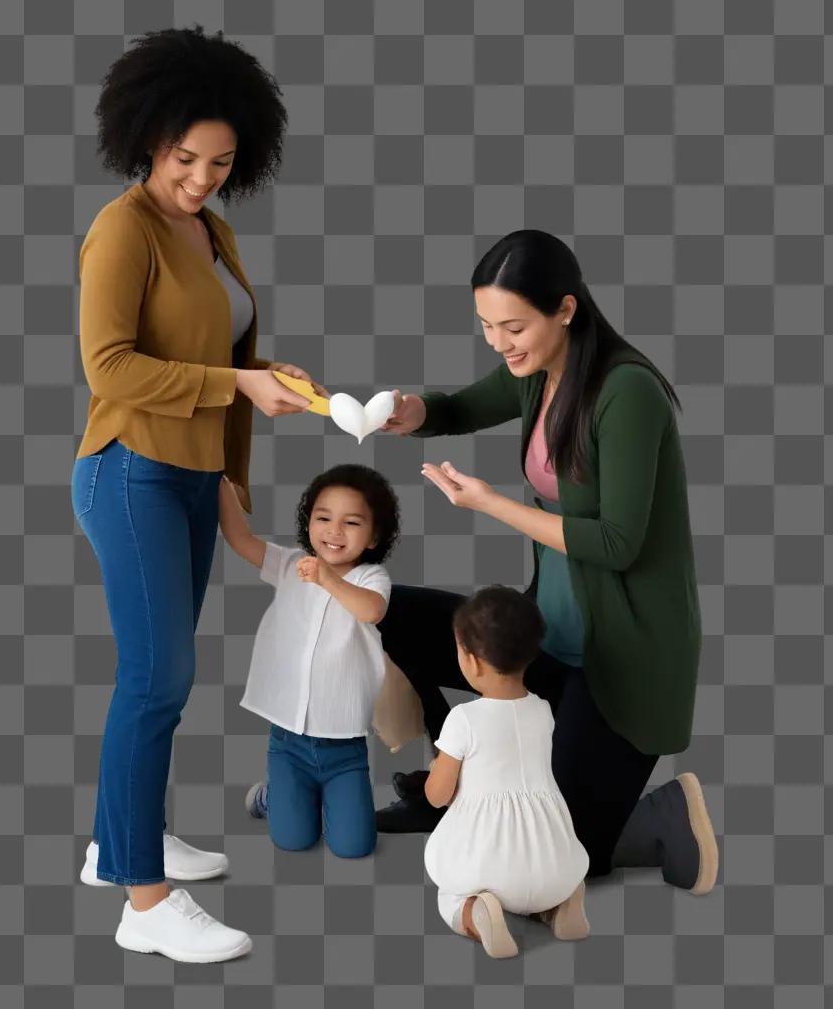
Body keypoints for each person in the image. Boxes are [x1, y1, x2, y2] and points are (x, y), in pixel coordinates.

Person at [70, 27, 327, 963]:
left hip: (189, 475)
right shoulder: (122, 227)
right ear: (147, 140)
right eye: (186, 159)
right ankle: (143, 900)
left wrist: (265, 377)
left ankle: (117, 840)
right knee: (156, 679)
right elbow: (111, 368)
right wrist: (233, 386)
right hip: (128, 468)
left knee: (163, 682)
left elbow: (219, 351)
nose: (202, 177)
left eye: (221, 162)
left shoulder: (207, 228)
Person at [376, 229, 719, 897]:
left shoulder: (627, 394)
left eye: (513, 326)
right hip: (545, 640)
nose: (501, 344)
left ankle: (657, 812)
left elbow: (618, 541)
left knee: (554, 871)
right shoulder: (538, 373)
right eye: (485, 327)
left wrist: (491, 505)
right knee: (385, 614)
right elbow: (461, 407)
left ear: (565, 310)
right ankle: (443, 787)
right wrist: (412, 412)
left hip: (619, 659)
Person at [218, 465, 400, 858]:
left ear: (374, 536)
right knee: (292, 840)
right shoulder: (289, 565)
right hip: (288, 743)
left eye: (351, 522)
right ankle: (273, 797)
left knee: (354, 847)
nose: (334, 531)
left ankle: (315, 801)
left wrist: (327, 579)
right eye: (323, 518)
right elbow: (240, 538)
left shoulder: (372, 577)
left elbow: (371, 611)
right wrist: (220, 483)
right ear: (308, 522)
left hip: (345, 747)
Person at [425, 585, 590, 958]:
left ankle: (477, 913)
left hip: (488, 865)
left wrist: (439, 767)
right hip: (553, 859)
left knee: (448, 892)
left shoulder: (463, 719)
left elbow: (437, 796)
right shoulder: (543, 711)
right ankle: (560, 903)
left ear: (472, 661)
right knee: (541, 878)